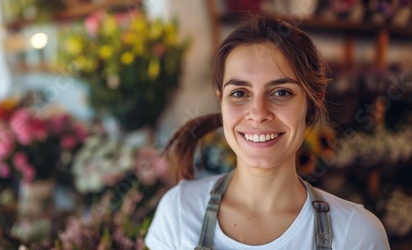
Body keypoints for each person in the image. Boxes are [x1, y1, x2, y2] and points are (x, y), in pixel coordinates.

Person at [145, 15, 390, 249]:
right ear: (221, 103)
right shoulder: (178, 211)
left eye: (281, 92)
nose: (258, 112)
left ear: (312, 105)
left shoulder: (356, 234)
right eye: (239, 93)